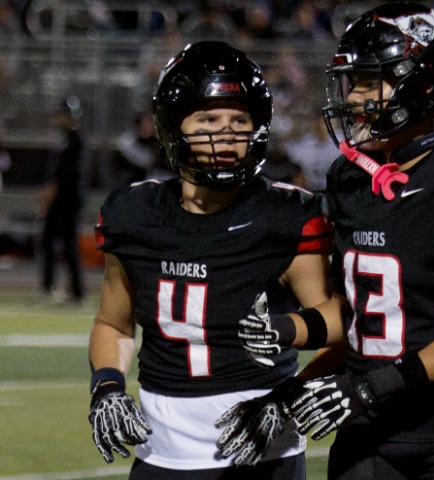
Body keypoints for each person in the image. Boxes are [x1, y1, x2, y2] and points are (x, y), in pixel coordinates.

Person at [218, 4, 434, 479]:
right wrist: (288, 370)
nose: (354, 97)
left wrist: (368, 388)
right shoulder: (350, 179)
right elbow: (362, 317)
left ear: (421, 85)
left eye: (367, 82)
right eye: (353, 83)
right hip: (369, 431)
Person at [87, 41, 332, 479]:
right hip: (161, 451)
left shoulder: (284, 215)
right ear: (173, 125)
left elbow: (339, 325)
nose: (227, 133)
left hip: (261, 445)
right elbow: (113, 323)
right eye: (209, 119)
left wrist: (288, 392)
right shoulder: (135, 214)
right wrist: (106, 385)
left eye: (240, 120)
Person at [38, 95, 87, 304]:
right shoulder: (64, 139)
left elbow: (66, 173)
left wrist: (50, 192)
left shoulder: (75, 140)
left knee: (67, 245)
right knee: (49, 242)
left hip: (67, 200)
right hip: (60, 199)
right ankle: (50, 287)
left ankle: (76, 291)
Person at [111, 111, 161, 187]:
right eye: (147, 123)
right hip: (131, 182)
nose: (150, 127)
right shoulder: (128, 142)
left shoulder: (152, 140)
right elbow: (147, 160)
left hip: (150, 179)